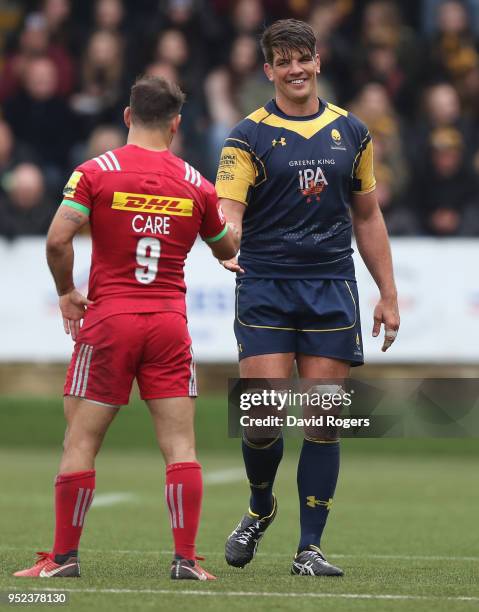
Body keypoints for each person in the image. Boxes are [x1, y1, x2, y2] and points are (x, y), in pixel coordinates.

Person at [14, 75, 238, 581]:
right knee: (181, 447)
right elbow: (226, 249)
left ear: (127, 116)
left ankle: (64, 559)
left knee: (81, 440)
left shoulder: (96, 172)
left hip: (109, 320)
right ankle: (185, 561)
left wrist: (67, 292)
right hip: (167, 324)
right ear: (177, 125)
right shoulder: (195, 182)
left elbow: (56, 239)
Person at [216, 19, 400, 576]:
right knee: (262, 416)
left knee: (323, 418)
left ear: (318, 61)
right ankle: (259, 505)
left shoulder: (354, 133)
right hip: (266, 284)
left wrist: (388, 294)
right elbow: (229, 210)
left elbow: (367, 216)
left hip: (330, 285)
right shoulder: (245, 136)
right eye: (283, 61)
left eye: (304, 58)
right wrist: (227, 242)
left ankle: (309, 548)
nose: (295, 69)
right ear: (268, 70)